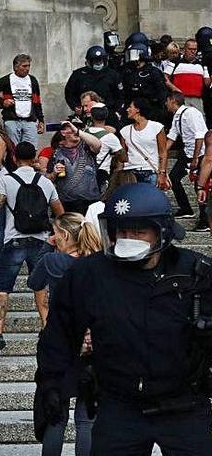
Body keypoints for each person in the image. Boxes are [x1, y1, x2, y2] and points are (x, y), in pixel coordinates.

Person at [36, 182, 212, 456]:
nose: (128, 238)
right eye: (122, 231)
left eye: (139, 231)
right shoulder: (88, 275)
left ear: (161, 232)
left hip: (185, 405)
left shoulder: (197, 273)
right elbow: (59, 333)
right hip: (119, 405)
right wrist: (51, 384)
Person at [0, 142, 64, 360]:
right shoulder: (45, 182)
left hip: (14, 240)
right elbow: (60, 213)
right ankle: (48, 329)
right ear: (35, 158)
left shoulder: (6, 180)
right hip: (40, 240)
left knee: (3, 288)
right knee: (41, 287)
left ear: (15, 158)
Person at [29, 212, 101, 456]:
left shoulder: (53, 261)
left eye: (56, 233)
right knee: (86, 418)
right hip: (92, 343)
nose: (53, 237)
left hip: (58, 343)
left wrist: (46, 248)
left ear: (65, 236)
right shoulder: (98, 263)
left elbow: (34, 282)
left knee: (55, 415)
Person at [165, 92, 208, 230]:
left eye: (167, 101)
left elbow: (200, 135)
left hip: (200, 154)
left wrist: (196, 158)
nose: (166, 104)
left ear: (173, 101)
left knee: (200, 187)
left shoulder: (191, 113)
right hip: (187, 152)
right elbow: (171, 137)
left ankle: (204, 220)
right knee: (173, 178)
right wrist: (161, 153)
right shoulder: (177, 117)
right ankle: (186, 208)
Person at [46, 121, 103, 215]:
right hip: (66, 203)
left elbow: (97, 144)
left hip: (90, 201)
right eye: (71, 131)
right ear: (63, 135)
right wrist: (54, 173)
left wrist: (78, 131)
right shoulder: (57, 153)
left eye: (76, 130)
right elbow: (48, 178)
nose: (75, 132)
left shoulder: (86, 147)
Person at [121, 97, 170, 190]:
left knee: (150, 202)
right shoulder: (125, 131)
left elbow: (163, 152)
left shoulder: (157, 127)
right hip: (130, 172)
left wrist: (162, 173)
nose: (127, 110)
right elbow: (123, 156)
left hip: (150, 171)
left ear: (138, 109)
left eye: (130, 107)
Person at [0, 54, 45, 147]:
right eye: (24, 66)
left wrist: (41, 120)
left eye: (29, 66)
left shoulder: (32, 80)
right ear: (16, 67)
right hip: (12, 119)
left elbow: (37, 101)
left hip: (30, 120)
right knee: (13, 149)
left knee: (30, 149)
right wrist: (3, 102)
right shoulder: (5, 80)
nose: (27, 69)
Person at [64, 46, 123, 115]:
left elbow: (120, 95)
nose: (98, 63)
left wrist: (116, 111)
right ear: (89, 62)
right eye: (96, 61)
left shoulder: (113, 75)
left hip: (108, 112)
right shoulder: (78, 75)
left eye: (101, 60)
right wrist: (75, 106)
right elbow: (69, 93)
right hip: (85, 113)